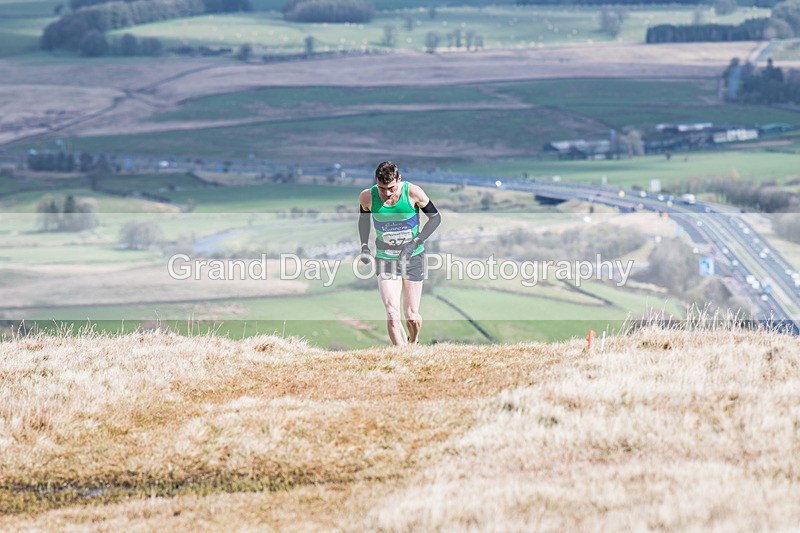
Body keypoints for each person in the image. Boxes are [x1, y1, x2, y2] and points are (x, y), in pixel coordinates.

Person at [358, 161, 441, 345]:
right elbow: (363, 220)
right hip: (385, 258)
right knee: (392, 312)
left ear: (399, 180)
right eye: (382, 188)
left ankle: (414, 340)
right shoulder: (367, 197)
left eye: (391, 188)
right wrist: (364, 246)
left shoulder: (413, 192)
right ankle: (401, 357)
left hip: (413, 258)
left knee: (411, 316)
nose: (387, 193)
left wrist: (415, 243)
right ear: (376, 182)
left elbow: (435, 218)